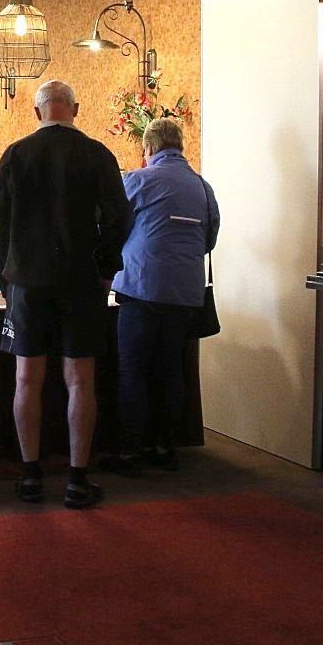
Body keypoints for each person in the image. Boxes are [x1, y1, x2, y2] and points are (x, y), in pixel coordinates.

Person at [0, 79, 132, 509]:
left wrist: (7, 281)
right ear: (76, 109)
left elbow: (1, 227)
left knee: (26, 379)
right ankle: (77, 480)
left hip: (27, 281)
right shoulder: (97, 154)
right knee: (80, 380)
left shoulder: (15, 154)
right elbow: (119, 218)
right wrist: (105, 268)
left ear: (37, 112)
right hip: (80, 280)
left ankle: (30, 476)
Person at [101, 118, 219, 477]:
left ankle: (128, 453)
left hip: (142, 288)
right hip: (185, 293)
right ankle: (166, 448)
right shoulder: (202, 187)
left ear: (149, 148)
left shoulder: (138, 180)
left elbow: (111, 227)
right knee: (170, 369)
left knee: (132, 369)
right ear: (179, 146)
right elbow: (210, 239)